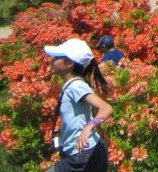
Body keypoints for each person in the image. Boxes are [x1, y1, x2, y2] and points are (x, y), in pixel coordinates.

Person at [44, 38, 113, 172]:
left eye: (57, 57)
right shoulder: (71, 85)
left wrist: (89, 126)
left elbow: (106, 108)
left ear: (69, 63)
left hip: (84, 156)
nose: (51, 60)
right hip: (87, 153)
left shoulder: (76, 86)